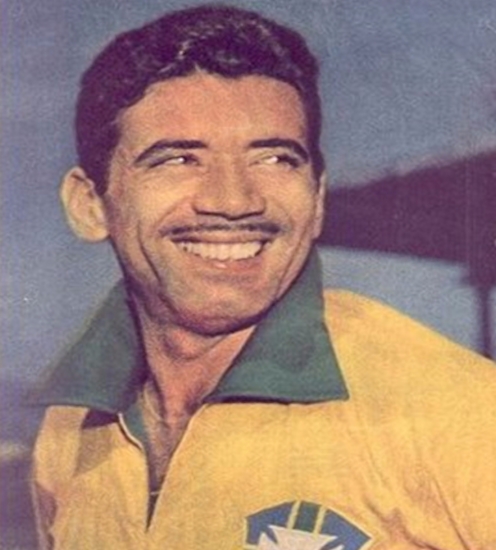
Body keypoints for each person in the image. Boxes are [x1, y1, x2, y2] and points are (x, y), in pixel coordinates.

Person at [31, 4, 496, 549]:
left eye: (275, 159)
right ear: (90, 205)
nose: (233, 200)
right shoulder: (69, 429)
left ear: (316, 199)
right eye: (177, 159)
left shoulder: (457, 410)